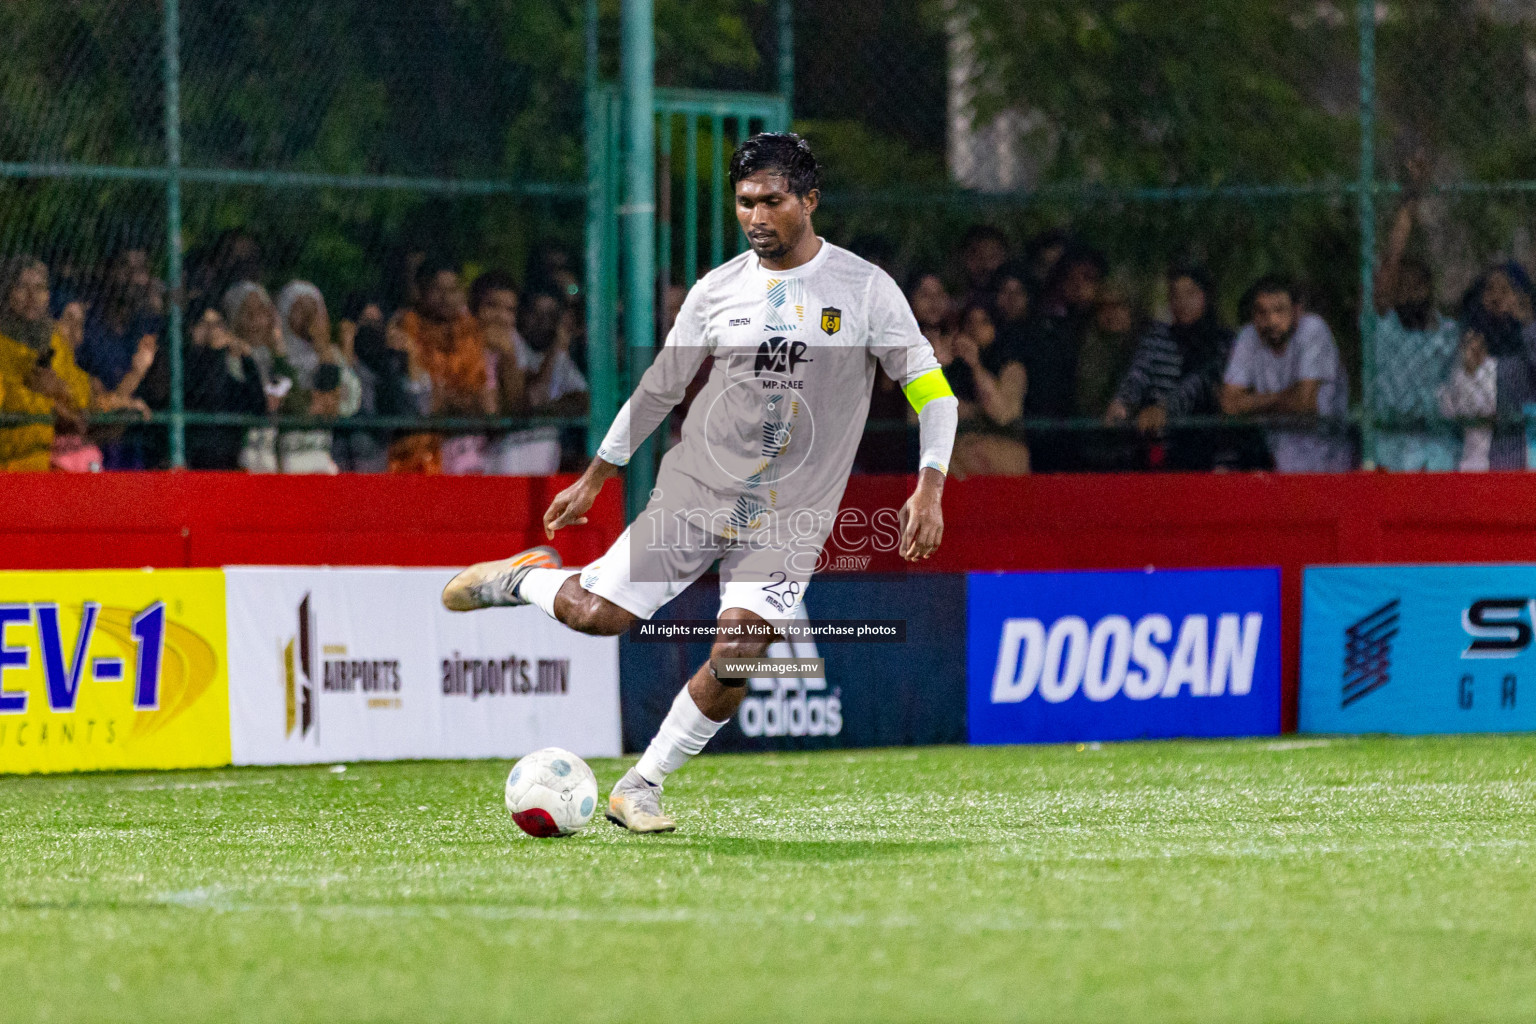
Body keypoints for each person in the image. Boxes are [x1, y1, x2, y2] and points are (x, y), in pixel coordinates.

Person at [441, 132, 957, 832]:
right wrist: (597, 475)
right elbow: (660, 389)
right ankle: (525, 578)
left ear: (809, 199)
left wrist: (929, 485)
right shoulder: (720, 290)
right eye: (744, 202)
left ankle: (641, 784)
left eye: (772, 200)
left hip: (790, 515)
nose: (755, 215)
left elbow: (934, 393)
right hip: (699, 490)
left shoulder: (864, 289)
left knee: (741, 655)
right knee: (599, 617)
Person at [1371, 154, 1461, 472]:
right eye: (1402, 287)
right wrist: (1410, 202)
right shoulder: (1384, 328)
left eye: (1418, 286)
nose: (1410, 293)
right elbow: (1389, 265)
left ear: (1429, 289)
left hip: (1438, 451)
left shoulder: (1450, 334)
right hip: (1389, 452)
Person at [1105, 266, 1234, 470]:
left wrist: (1164, 409)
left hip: (1212, 455)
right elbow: (1139, 373)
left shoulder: (1224, 342)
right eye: (1175, 295)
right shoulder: (1157, 337)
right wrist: (1123, 402)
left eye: (1190, 294)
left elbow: (1199, 382)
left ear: (1206, 297)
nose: (1182, 302)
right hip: (1162, 453)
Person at [1220, 275, 1352, 473]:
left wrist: (1253, 404)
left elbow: (1304, 404)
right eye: (1261, 312)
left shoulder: (1313, 329)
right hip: (1279, 466)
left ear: (1297, 312)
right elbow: (1229, 404)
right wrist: (1283, 398)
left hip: (1327, 466)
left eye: (1279, 310)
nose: (1271, 320)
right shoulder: (1249, 336)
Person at [392, 260, 496, 475]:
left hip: (468, 453)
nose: (446, 298)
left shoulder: (471, 332)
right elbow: (424, 404)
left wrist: (450, 402)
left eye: (453, 290)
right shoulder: (405, 330)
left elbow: (485, 405)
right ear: (421, 291)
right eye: (438, 289)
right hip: (417, 456)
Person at [1018, 244, 1106, 471]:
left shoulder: (1108, 328)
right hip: (1047, 438)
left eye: (1087, 278)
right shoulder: (1041, 328)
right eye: (1071, 277)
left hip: (1099, 441)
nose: (1079, 285)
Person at [183, 305, 268, 470]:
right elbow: (205, 395)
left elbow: (259, 405)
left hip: (229, 455)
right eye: (205, 324)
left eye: (217, 325)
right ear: (192, 328)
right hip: (194, 458)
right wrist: (216, 353)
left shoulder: (229, 361)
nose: (212, 331)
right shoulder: (184, 360)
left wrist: (247, 360)